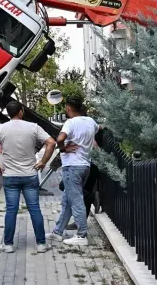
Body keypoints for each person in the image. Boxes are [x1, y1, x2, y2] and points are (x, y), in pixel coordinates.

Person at [0, 101, 57, 254]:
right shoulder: (33, 127)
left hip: (10, 176)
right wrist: (43, 162)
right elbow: (51, 142)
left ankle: (8, 244)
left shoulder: (1, 129)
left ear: (8, 113)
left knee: (11, 210)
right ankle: (41, 244)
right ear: (21, 112)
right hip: (29, 175)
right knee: (34, 209)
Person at [46, 97, 99, 246]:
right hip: (85, 165)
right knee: (67, 200)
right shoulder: (90, 121)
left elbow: (60, 138)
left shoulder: (70, 122)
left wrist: (63, 148)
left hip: (72, 166)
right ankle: (58, 232)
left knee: (76, 201)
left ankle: (81, 235)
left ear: (69, 108)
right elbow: (98, 129)